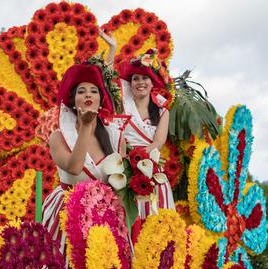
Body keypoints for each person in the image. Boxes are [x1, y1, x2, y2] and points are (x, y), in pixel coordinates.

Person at [42, 60, 127, 248]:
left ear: (101, 100)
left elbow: (121, 185)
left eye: (94, 91)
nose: (88, 94)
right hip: (68, 215)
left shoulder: (115, 137)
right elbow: (74, 167)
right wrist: (86, 126)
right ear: (72, 102)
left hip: (107, 217)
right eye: (81, 91)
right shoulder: (58, 137)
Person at [116, 48, 174, 215]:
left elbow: (158, 142)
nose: (140, 82)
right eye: (136, 79)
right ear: (130, 83)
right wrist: (127, 161)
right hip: (125, 168)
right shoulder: (122, 105)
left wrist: (138, 158)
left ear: (152, 82)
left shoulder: (162, 111)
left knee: (156, 221)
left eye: (144, 78)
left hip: (152, 170)